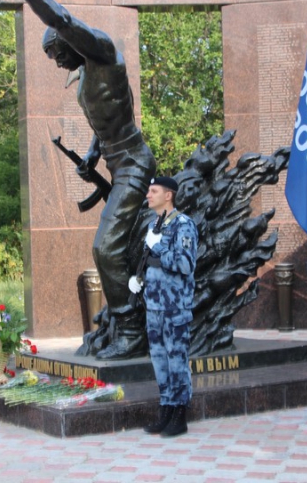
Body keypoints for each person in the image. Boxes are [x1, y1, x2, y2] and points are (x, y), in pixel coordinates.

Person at [0, 0, 157, 360]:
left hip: (133, 162)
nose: (58, 62)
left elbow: (60, 18)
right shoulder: (84, 76)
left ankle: (131, 332)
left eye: (58, 54)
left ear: (71, 42)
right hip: (116, 165)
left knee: (106, 248)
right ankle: (126, 321)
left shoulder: (103, 52)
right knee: (127, 249)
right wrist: (91, 157)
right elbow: (105, 122)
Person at [129, 177, 198, 437]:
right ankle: (166, 409)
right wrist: (139, 279)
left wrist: (158, 249)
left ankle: (180, 414)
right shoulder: (153, 224)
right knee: (159, 360)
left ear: (168, 195)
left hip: (175, 306)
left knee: (176, 359)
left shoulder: (184, 225)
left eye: (153, 191)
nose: (148, 194)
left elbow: (185, 264)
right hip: (154, 305)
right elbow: (150, 262)